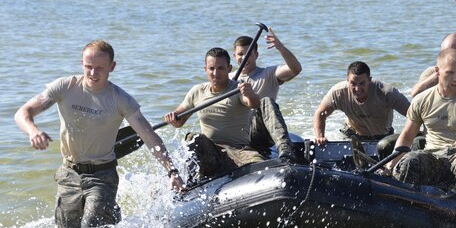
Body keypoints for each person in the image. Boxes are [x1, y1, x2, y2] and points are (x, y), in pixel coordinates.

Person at [15, 40, 184, 228]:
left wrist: (172, 171)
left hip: (103, 175)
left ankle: (108, 222)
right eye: (89, 67)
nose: (93, 74)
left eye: (100, 68)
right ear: (82, 64)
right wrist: (33, 131)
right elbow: (23, 112)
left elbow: (149, 136)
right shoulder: (65, 87)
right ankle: (111, 219)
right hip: (69, 172)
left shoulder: (121, 99)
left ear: (112, 67)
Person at [385, 49, 456, 197]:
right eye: (450, 73)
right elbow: (407, 136)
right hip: (433, 156)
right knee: (408, 162)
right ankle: (408, 205)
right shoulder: (422, 100)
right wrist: (392, 163)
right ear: (437, 71)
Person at [164, 47, 264, 183]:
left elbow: (253, 104)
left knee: (262, 168)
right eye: (211, 68)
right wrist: (173, 117)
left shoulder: (238, 88)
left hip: (238, 152)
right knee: (194, 138)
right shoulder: (197, 91)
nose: (215, 73)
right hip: (211, 152)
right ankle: (188, 185)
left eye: (221, 68)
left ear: (229, 68)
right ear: (205, 69)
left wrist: (250, 94)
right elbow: (179, 121)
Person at [313, 61, 410, 158]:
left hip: (383, 137)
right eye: (353, 83)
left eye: (362, 83)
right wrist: (320, 136)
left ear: (369, 80)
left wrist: (410, 136)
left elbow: (413, 114)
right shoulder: (338, 93)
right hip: (352, 135)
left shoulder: (387, 93)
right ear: (347, 81)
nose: (357, 89)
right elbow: (320, 113)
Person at [232, 27, 302, 161]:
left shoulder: (268, 74)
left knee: (266, 101)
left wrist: (280, 47)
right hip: (236, 135)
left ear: (256, 55)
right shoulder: (228, 79)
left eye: (249, 54)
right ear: (234, 56)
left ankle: (286, 150)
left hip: (259, 133)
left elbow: (296, 69)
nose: (244, 57)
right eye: (240, 54)